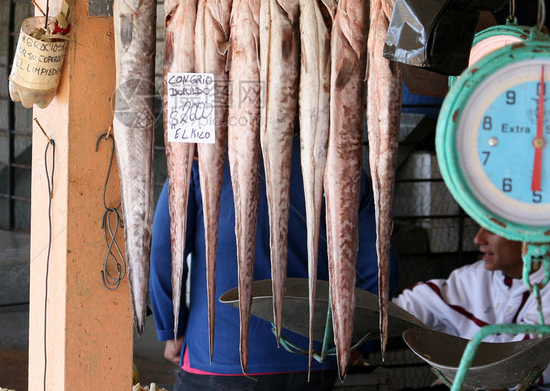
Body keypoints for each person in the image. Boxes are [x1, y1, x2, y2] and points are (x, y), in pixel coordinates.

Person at [149, 137, 400, 390]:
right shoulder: (344, 166)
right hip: (312, 361)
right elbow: (380, 265)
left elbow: (165, 251)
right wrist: (356, 338)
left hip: (219, 357)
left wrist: (171, 330)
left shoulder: (199, 159)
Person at [392, 227, 550, 391]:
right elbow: (419, 303)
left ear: (529, 232)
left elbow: (514, 373)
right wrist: (375, 319)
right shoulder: (482, 274)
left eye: (492, 229)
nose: (478, 239)